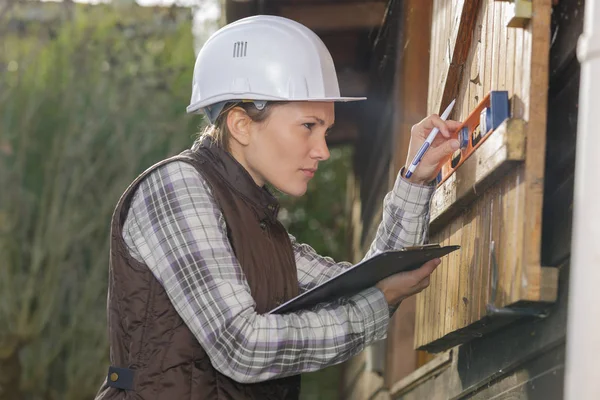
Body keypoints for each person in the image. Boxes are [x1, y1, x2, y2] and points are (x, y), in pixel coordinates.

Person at [95, 15, 461, 400]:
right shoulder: (175, 188)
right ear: (240, 124)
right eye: (308, 126)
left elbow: (364, 284)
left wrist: (416, 178)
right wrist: (378, 301)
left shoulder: (260, 225)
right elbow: (241, 346)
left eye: (326, 131)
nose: (322, 150)